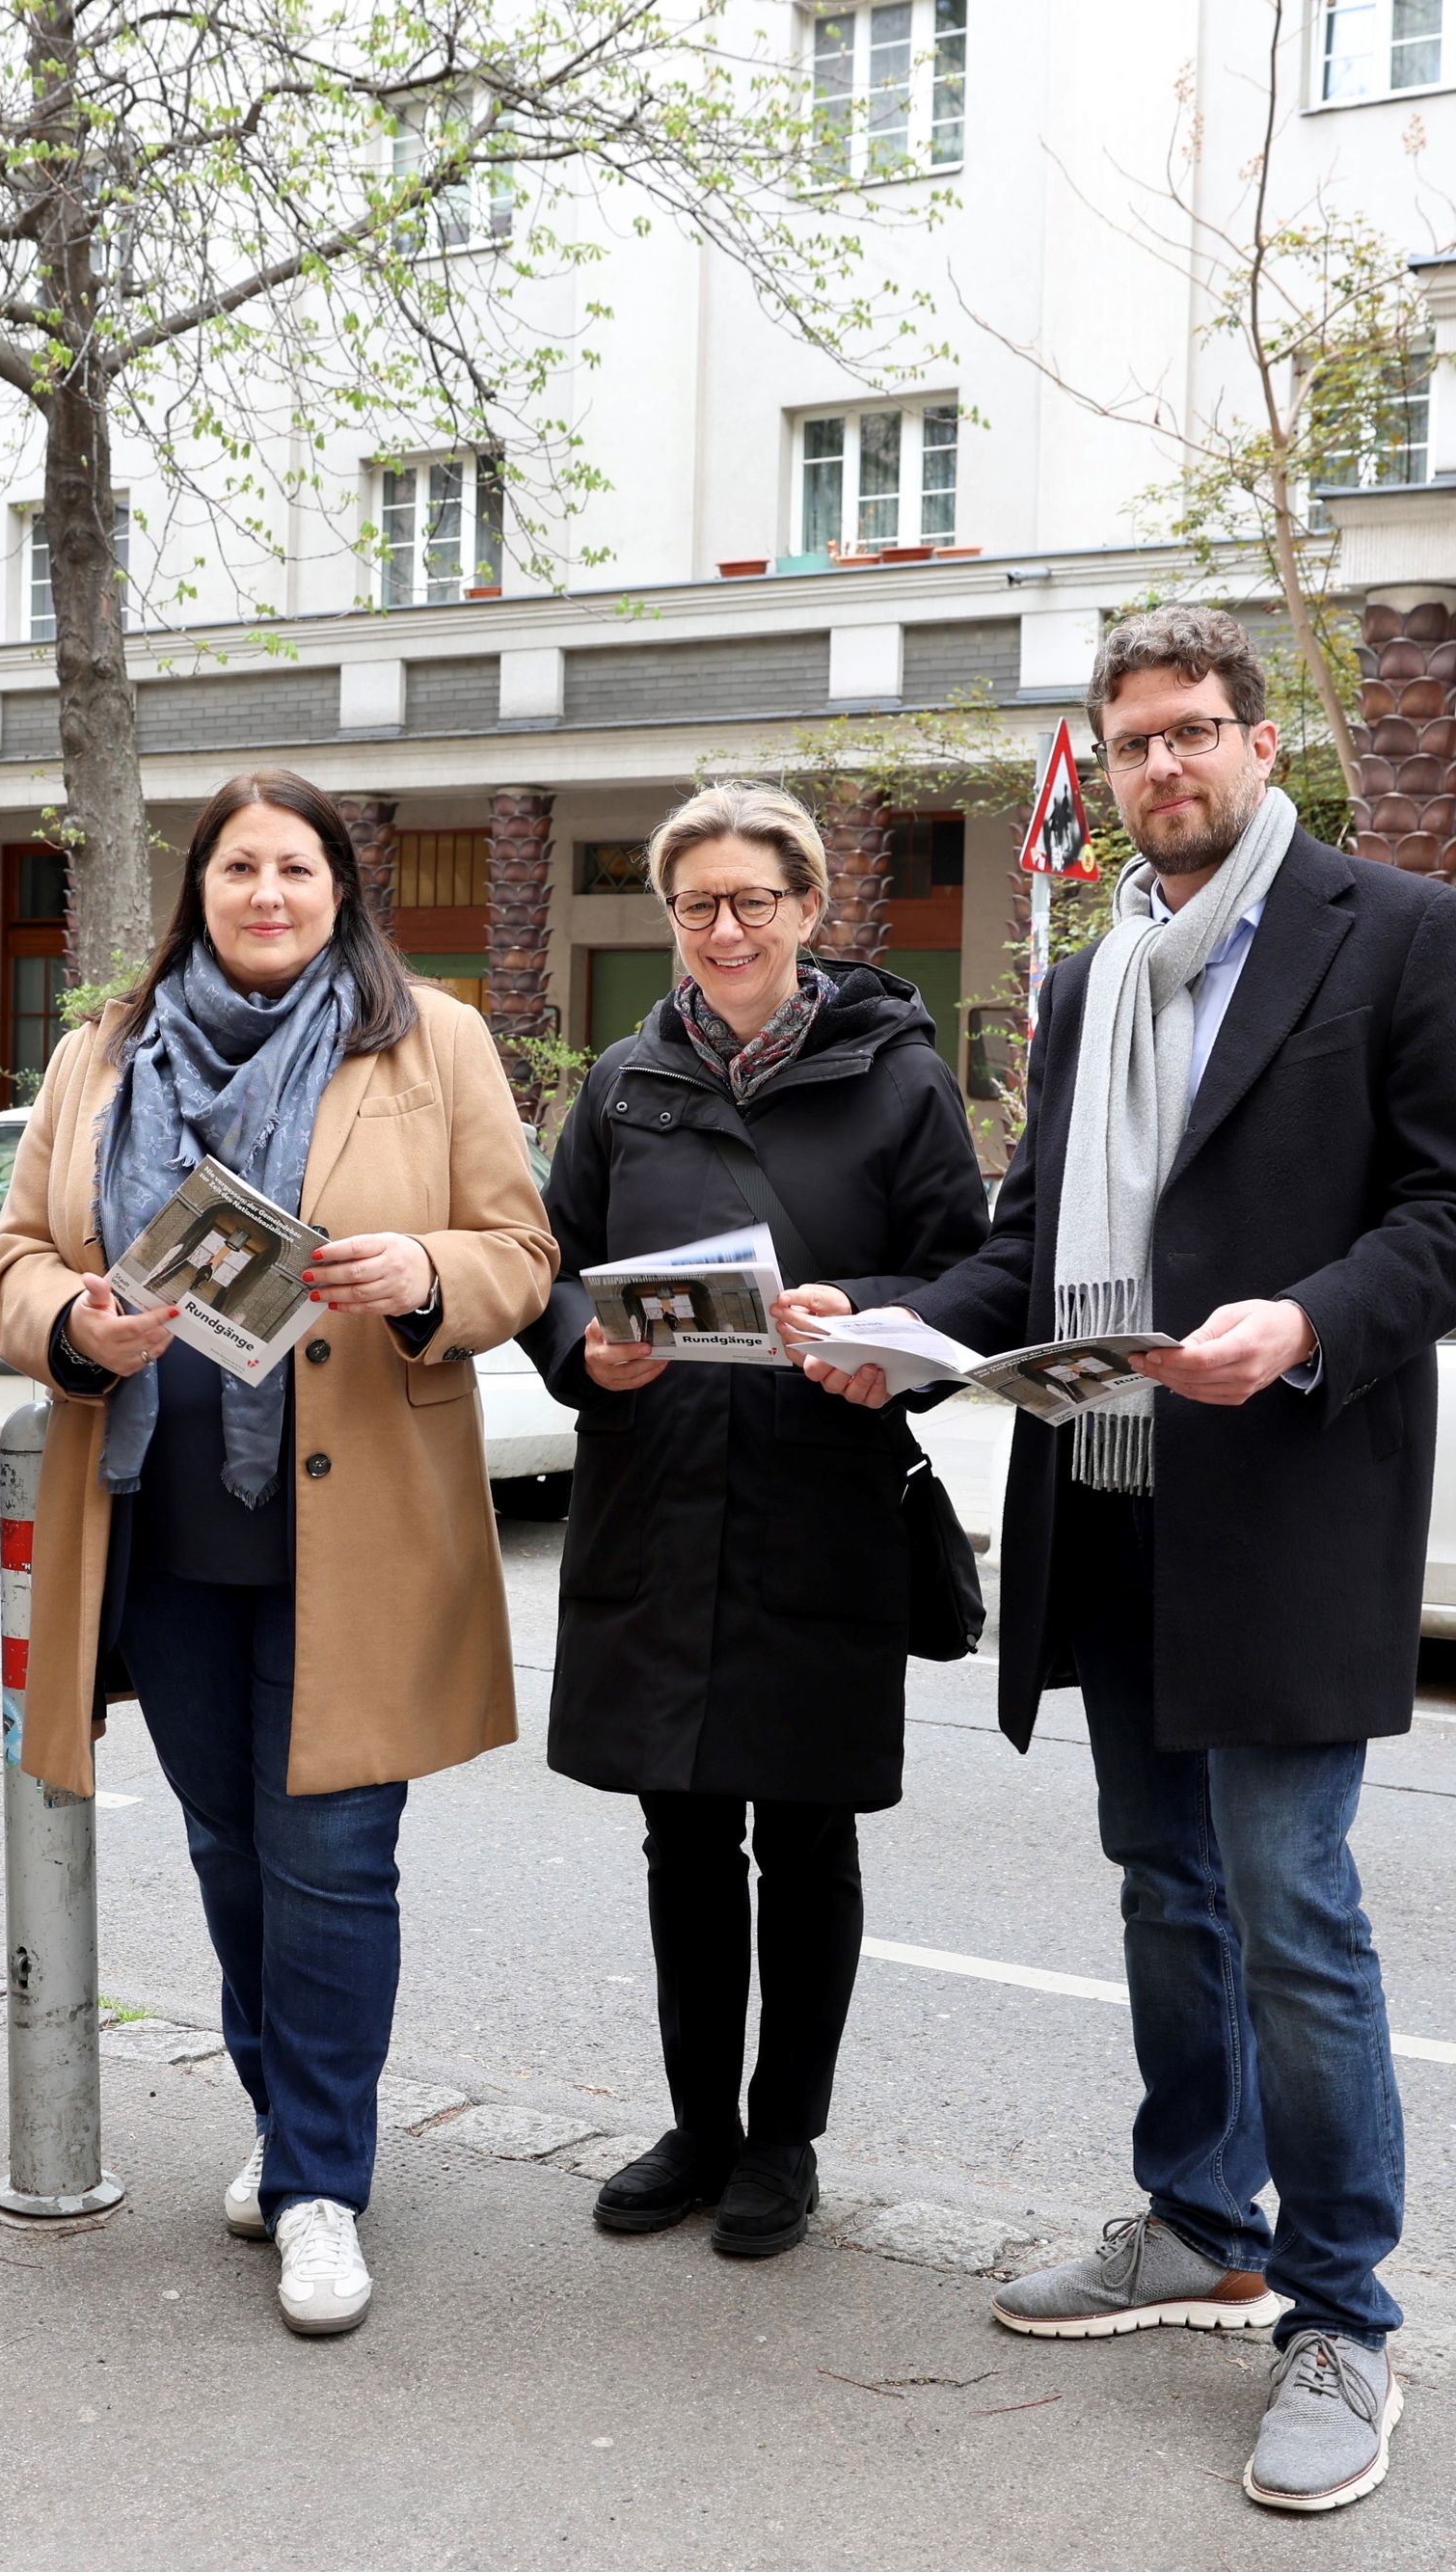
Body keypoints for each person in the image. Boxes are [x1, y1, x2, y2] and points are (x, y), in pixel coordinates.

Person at [805, 607, 1456, 2513]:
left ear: (1263, 743)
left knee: (1292, 1905)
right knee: (1160, 1887)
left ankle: (1339, 2309)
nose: (1162, 768)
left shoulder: (1395, 934)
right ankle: (1199, 2216)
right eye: (1132, 741)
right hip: (1100, 1490)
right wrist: (880, 1321)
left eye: (1194, 731)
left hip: (1283, 1495)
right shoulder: (1087, 977)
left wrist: (1301, 1319)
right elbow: (1025, 1249)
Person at [0, 767, 553, 2339]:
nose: (268, 897)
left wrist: (421, 1267)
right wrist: (77, 1324)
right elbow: (14, 1258)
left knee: (331, 1865)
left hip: (350, 1525)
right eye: (240, 869)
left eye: (296, 870)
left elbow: (520, 1254)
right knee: (230, 1856)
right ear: (202, 887)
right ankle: (287, 2124)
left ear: (339, 888)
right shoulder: (105, 1050)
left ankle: (321, 2183)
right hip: (162, 1527)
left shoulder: (427, 1040)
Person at [530, 781, 985, 2259]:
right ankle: (697, 2126)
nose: (724, 929)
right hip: (659, 1495)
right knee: (680, 1835)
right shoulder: (621, 1082)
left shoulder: (896, 1078)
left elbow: (975, 1275)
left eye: (753, 901)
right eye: (696, 906)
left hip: (818, 1497)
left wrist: (875, 1316)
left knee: (804, 1836)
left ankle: (783, 2137)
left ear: (807, 910)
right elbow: (556, 1270)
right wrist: (581, 1351)